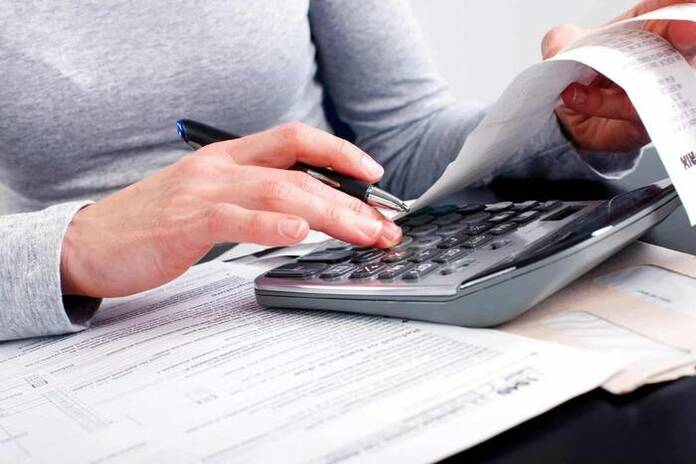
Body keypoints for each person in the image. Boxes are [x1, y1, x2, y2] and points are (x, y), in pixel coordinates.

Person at [1, 0, 695, 341]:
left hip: (332, 290)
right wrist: (72, 249)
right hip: (82, 344)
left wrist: (559, 121)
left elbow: (404, 138)